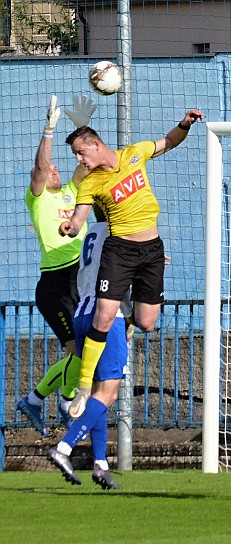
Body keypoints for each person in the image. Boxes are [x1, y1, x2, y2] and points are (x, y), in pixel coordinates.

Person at [58, 108, 204, 419]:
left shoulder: (134, 154)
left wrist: (184, 125)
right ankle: (84, 386)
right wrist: (70, 226)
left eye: (80, 152)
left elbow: (167, 142)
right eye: (76, 155)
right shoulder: (90, 183)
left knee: (148, 322)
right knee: (104, 315)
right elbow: (80, 217)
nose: (79, 160)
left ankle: (128, 324)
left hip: (152, 249)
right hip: (119, 251)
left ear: (96, 145)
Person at [18, 95, 97, 434]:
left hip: (79, 277)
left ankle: (37, 400)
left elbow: (89, 163)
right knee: (77, 350)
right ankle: (59, 401)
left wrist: (81, 130)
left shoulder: (70, 192)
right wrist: (49, 130)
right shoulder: (39, 198)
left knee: (82, 350)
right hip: (54, 283)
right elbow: (39, 167)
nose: (54, 169)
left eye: (56, 167)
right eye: (49, 168)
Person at [47, 206, 129, 490]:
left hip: (82, 313)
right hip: (106, 316)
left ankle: (100, 463)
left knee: (97, 392)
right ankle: (65, 447)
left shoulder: (91, 233)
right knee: (108, 391)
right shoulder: (120, 235)